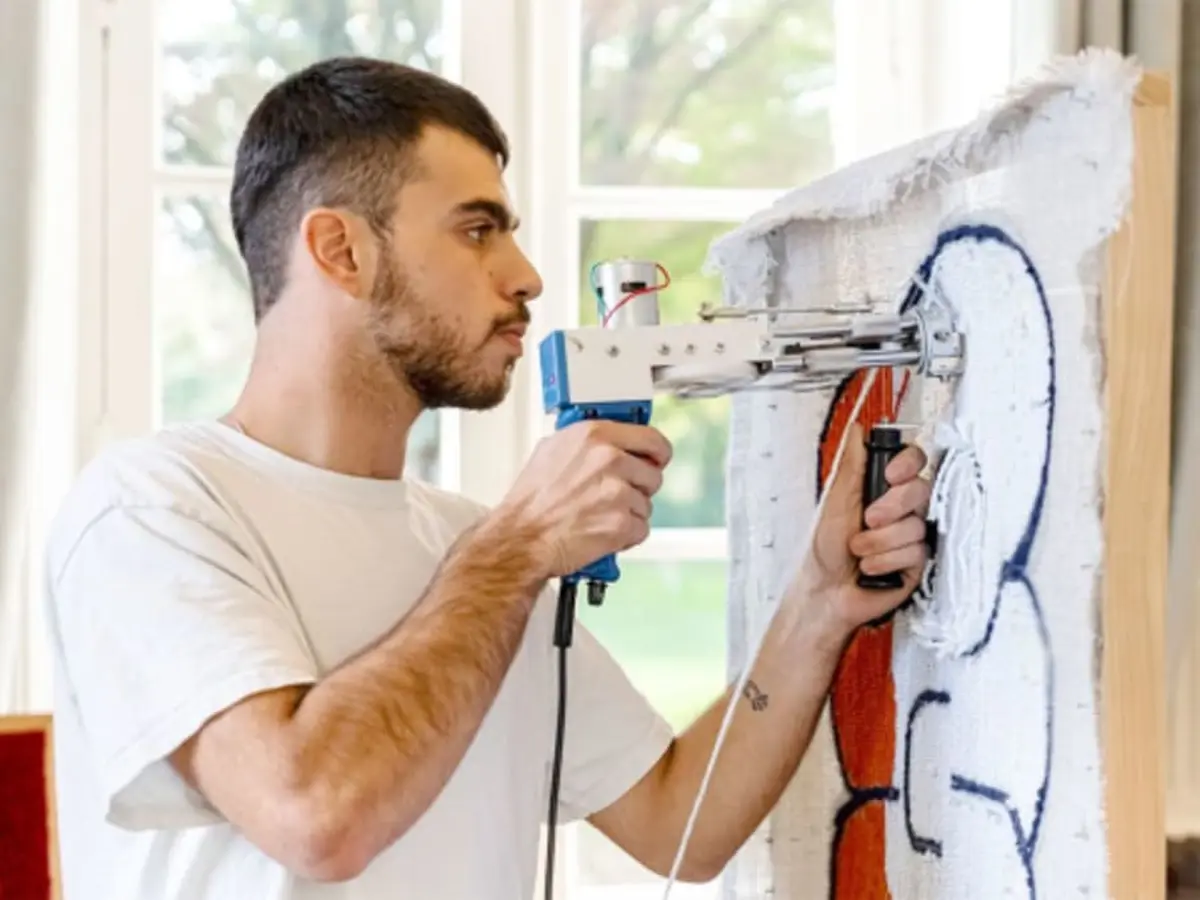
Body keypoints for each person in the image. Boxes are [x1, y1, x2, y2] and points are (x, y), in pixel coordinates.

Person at [43, 56, 932, 900]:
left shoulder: (476, 549)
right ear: (341, 251)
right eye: (477, 230)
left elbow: (677, 821)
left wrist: (817, 603)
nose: (526, 277)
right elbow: (314, 814)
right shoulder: (151, 508)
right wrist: (518, 547)